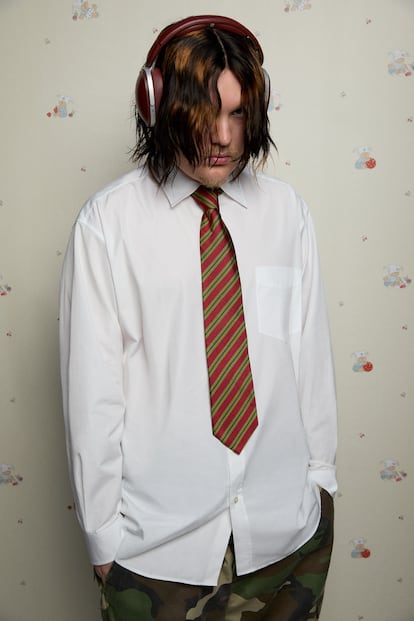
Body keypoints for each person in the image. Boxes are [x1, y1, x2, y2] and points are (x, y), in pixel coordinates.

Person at [59, 15, 337, 621]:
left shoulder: (287, 213)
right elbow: (93, 394)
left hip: (288, 533)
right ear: (158, 108)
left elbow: (307, 352)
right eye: (204, 114)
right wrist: (103, 540)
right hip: (157, 552)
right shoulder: (107, 224)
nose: (222, 136)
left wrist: (321, 481)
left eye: (238, 114)